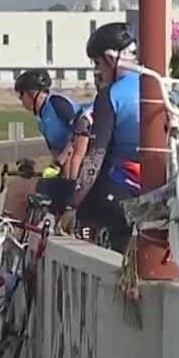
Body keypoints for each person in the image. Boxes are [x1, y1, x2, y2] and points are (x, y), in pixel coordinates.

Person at [56, 23, 141, 254]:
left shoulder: (110, 95)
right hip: (159, 187)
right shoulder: (159, 86)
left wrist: (72, 205)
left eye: (96, 63)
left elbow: (95, 157)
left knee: (75, 203)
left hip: (121, 192)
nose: (98, 71)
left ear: (110, 59)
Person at [16, 68, 90, 213]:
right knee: (45, 188)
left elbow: (78, 132)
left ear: (32, 93)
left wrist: (60, 161)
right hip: (67, 162)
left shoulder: (57, 103)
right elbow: (55, 150)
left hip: (83, 154)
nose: (21, 100)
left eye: (21, 95)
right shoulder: (41, 119)